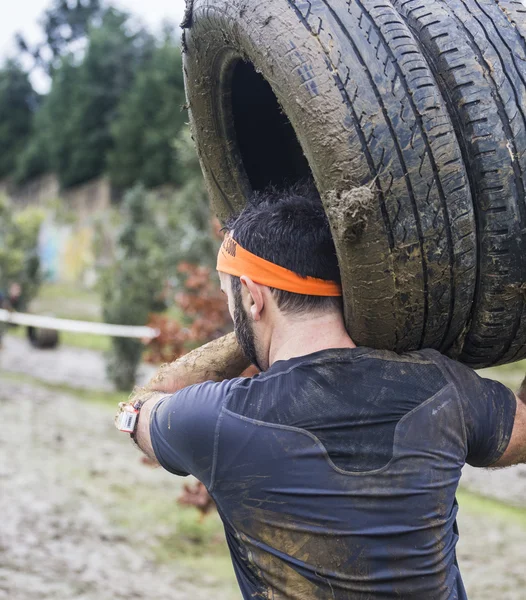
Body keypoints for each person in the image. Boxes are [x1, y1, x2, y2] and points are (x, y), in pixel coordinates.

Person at [115, 185, 526, 600]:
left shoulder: (218, 419)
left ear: (254, 298)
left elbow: (137, 409)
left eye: (231, 298)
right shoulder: (444, 386)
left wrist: (248, 333)